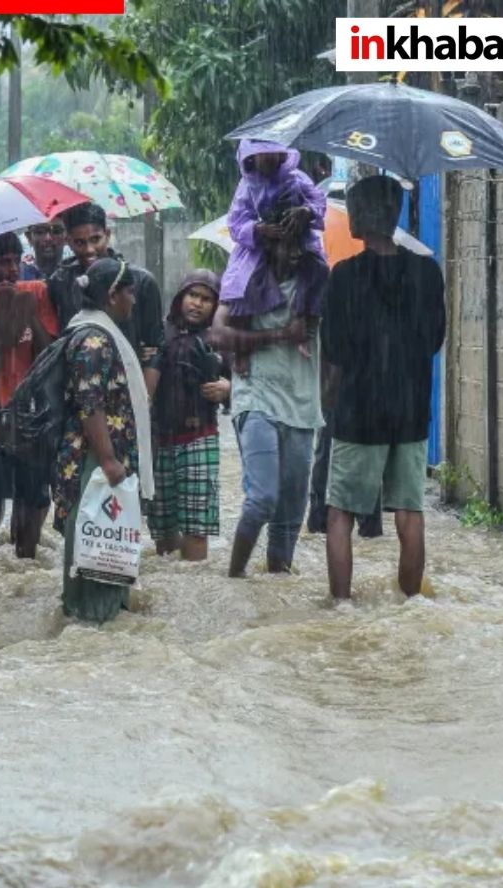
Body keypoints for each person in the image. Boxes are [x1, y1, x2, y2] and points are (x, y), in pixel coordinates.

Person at [321, 175, 445, 600]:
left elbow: (334, 349)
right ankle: (411, 604)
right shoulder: (427, 272)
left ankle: (341, 605)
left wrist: (330, 397)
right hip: (410, 410)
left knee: (340, 513)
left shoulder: (344, 276)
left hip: (359, 410)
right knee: (410, 512)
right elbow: (434, 340)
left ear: (360, 217)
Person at [209, 221, 326, 579]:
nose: (294, 251)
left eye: (300, 243)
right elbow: (217, 334)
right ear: (269, 244)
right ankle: (234, 580)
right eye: (286, 243)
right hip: (255, 396)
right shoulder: (245, 281)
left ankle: (277, 586)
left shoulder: (317, 283)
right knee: (262, 498)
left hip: (302, 404)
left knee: (290, 515)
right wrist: (279, 334)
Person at [54, 257, 154, 623]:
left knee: (102, 546)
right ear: (112, 296)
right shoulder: (95, 340)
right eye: (129, 292)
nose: (133, 299)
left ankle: (93, 622)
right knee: (98, 548)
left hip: (97, 457)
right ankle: (94, 622)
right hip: (94, 459)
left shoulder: (91, 331)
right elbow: (90, 403)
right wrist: (110, 460)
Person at [0, 231, 58, 558]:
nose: (12, 269)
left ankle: (26, 561)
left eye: (16, 261)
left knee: (32, 500)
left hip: (32, 421)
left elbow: (50, 355)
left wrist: (27, 313)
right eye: (4, 263)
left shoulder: (37, 293)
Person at [143, 270, 231, 561]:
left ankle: (194, 575)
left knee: (196, 526)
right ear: (181, 297)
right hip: (159, 440)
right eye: (193, 295)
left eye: (206, 299)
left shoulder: (221, 338)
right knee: (162, 526)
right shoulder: (159, 332)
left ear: (215, 305)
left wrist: (228, 388)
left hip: (199, 437)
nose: (197, 303)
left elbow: (247, 380)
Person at [221, 140, 327, 321]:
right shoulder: (246, 186)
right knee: (243, 280)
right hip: (261, 245)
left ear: (282, 155)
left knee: (319, 270)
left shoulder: (296, 178)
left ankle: (309, 315)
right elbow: (235, 222)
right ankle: (248, 318)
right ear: (252, 157)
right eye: (263, 154)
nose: (269, 158)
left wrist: (306, 211)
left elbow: (318, 201)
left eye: (273, 153)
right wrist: (258, 229)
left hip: (299, 238)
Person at [48, 202, 164, 366]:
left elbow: (155, 350)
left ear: (107, 234)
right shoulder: (60, 282)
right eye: (80, 243)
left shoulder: (141, 281)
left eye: (95, 239)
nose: (89, 250)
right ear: (68, 241)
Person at [306, 355, 383, 538]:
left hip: (357, 391)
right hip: (339, 391)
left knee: (361, 457)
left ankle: (365, 525)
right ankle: (322, 520)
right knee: (330, 454)